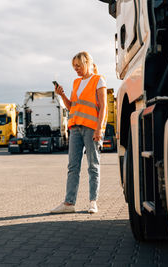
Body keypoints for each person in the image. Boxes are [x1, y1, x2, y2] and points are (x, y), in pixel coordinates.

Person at [51, 51, 107, 214]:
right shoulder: (76, 83)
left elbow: (103, 106)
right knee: (73, 167)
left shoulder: (98, 80)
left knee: (93, 166)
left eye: (78, 65)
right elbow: (71, 107)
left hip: (91, 128)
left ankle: (93, 202)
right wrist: (62, 95)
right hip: (75, 128)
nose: (76, 69)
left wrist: (99, 129)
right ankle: (69, 204)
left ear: (87, 63)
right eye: (74, 66)